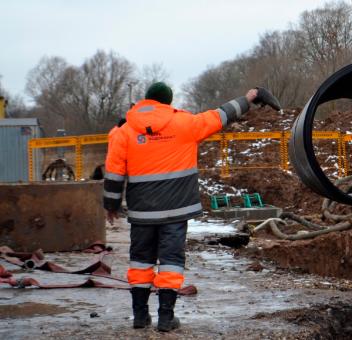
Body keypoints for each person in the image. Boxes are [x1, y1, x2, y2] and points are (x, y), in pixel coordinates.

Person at [103, 82, 258, 331]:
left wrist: (111, 205)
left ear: (146, 100)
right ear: (167, 103)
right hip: (176, 212)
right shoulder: (185, 123)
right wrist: (248, 98)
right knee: (171, 261)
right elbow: (221, 115)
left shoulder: (123, 131)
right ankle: (166, 318)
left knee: (141, 261)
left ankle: (140, 316)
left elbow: (113, 173)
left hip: (142, 212)